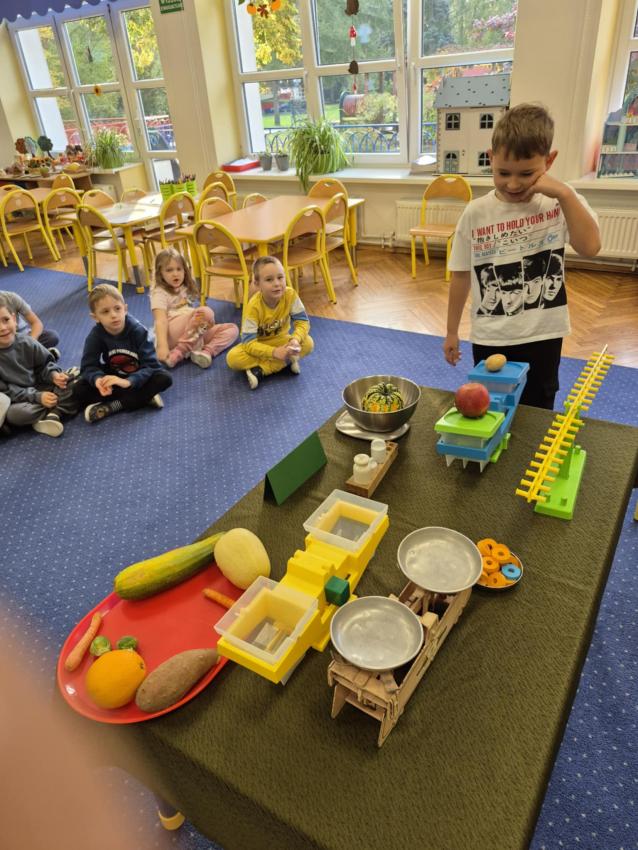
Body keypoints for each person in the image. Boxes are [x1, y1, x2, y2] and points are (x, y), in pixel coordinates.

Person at [443, 103, 601, 410]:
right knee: (489, 408)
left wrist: (565, 193)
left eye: (527, 173)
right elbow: (460, 275)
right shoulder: (475, 213)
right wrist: (451, 331)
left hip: (543, 335)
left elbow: (590, 247)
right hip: (490, 336)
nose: (513, 184)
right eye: (503, 173)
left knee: (538, 406)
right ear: (491, 158)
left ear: (549, 161)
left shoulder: (559, 202)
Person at [72, 284, 172, 423]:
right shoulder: (95, 335)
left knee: (164, 378)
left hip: (138, 376)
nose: (113, 315)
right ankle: (143, 397)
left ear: (125, 309)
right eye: (105, 312)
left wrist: (128, 382)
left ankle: (114, 406)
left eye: (117, 309)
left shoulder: (138, 331)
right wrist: (98, 380)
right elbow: (88, 366)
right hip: (114, 375)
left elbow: (151, 366)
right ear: (95, 317)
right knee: (78, 389)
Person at [226, 256, 313, 390]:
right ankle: (287, 361)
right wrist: (274, 352)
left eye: (280, 277)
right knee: (233, 358)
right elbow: (248, 343)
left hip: (282, 340)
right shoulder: (253, 307)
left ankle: (262, 370)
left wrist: (295, 340)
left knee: (308, 343)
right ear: (257, 283)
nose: (277, 283)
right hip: (259, 345)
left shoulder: (290, 295)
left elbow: (302, 322)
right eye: (269, 280)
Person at [0, 293, 78, 437]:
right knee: (14, 415)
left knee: (72, 382)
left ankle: (51, 413)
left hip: (42, 384)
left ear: (14, 319)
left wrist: (54, 375)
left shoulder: (27, 341)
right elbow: (7, 391)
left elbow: (45, 364)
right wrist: (37, 397)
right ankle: (59, 410)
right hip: (21, 398)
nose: (3, 328)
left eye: (6, 320)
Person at [150, 248, 238, 369]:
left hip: (190, 334)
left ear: (185, 271)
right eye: (169, 270)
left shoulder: (183, 287)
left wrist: (206, 323)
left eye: (179, 269)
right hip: (170, 334)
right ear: (160, 273)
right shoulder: (159, 293)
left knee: (232, 329)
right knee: (205, 312)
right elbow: (160, 321)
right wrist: (162, 346)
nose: (175, 274)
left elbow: (193, 317)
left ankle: (206, 352)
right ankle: (179, 352)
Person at [0, 289, 61, 359]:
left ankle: (24, 355)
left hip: (23, 337)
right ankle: (37, 355)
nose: (2, 327)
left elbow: (36, 323)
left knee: (52, 336)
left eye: (6, 319)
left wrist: (30, 343)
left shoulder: (11, 298)